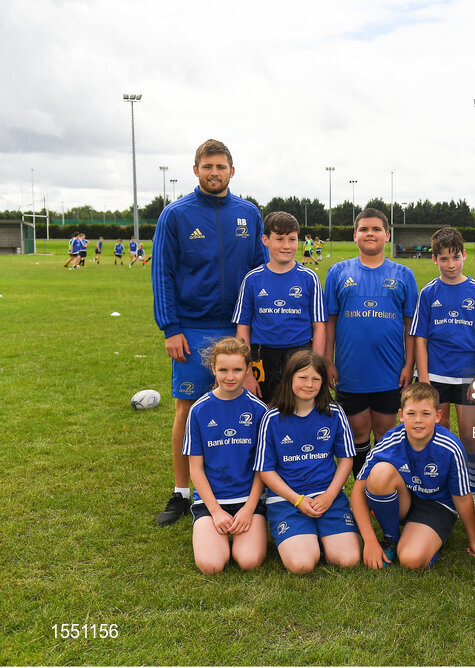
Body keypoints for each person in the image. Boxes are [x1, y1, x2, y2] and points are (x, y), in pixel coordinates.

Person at [151, 139, 267, 526]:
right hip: (193, 329)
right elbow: (162, 274)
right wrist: (171, 327)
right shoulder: (176, 215)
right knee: (187, 409)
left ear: (232, 171)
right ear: (196, 170)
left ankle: (254, 488)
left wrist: (255, 332)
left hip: (239, 329)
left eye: (221, 166)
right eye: (207, 166)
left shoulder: (249, 214)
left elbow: (260, 274)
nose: (214, 173)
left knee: (251, 408)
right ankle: (182, 493)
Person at [323, 208, 417, 478]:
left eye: (376, 229)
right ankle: (364, 492)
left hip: (390, 372)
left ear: (387, 235)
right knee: (358, 433)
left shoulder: (403, 274)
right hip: (350, 371)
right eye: (364, 229)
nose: (370, 234)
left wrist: (409, 364)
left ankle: (387, 489)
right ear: (355, 235)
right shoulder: (338, 272)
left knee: (386, 433)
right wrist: (328, 361)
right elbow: (330, 322)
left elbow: (411, 326)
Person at [411, 227, 475, 515]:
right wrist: (423, 377)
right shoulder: (428, 293)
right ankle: (442, 486)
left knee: (470, 433)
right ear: (434, 259)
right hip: (435, 374)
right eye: (444, 258)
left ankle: (474, 489)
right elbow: (420, 338)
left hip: (467, 375)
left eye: (455, 257)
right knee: (439, 432)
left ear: (464, 256)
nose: (451, 264)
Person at [351, 382, 475, 570]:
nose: (418, 420)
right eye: (411, 413)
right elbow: (357, 491)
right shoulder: (391, 440)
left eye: (426, 414)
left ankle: (425, 541)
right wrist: (370, 541)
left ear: (438, 416)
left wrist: (474, 540)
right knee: (380, 473)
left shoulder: (450, 448)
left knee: (410, 560)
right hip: (406, 498)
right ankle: (391, 538)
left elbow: (462, 497)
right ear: (401, 416)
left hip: (437, 506)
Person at [255, 351, 360, 574]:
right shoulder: (272, 418)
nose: (309, 384)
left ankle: (322, 536)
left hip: (327, 497)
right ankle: (309, 540)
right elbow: (266, 471)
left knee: (348, 559)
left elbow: (346, 460)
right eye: (302, 378)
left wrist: (330, 495)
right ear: (289, 378)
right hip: (287, 500)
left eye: (315, 379)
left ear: (323, 383)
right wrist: (297, 500)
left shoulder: (335, 413)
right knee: (301, 565)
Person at [182, 337, 268, 574]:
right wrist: (216, 512)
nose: (230, 376)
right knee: (211, 565)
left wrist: (249, 508)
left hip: (247, 500)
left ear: (248, 370)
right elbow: (196, 469)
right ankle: (209, 529)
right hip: (211, 501)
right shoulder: (198, 410)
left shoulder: (259, 411)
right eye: (223, 370)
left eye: (237, 370)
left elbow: (263, 467)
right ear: (213, 369)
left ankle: (246, 532)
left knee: (249, 560)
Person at [233, 211, 326, 404]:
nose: (286, 245)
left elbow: (319, 326)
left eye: (292, 239)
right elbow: (243, 328)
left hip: (299, 354)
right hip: (262, 356)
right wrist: (247, 372)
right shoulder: (252, 279)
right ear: (265, 240)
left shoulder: (309, 279)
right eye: (280, 239)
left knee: (297, 409)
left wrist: (314, 366)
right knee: (263, 408)